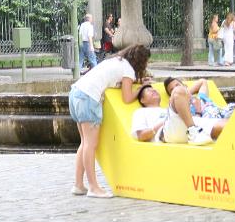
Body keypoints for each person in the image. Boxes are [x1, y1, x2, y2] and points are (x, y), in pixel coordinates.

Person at [69, 44, 151, 198]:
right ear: (141, 61)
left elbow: (115, 83)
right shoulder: (129, 70)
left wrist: (136, 84)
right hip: (89, 98)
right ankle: (93, 187)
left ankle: (79, 185)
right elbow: (127, 98)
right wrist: (141, 88)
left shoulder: (116, 61)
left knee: (84, 143)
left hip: (76, 93)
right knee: (90, 145)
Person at [130, 84, 215, 144]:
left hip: (185, 125)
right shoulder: (141, 112)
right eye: (149, 91)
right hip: (166, 132)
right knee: (178, 91)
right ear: (142, 100)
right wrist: (162, 123)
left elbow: (202, 82)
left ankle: (194, 131)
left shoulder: (166, 109)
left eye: (154, 90)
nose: (153, 91)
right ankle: (193, 131)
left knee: (224, 125)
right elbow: (141, 136)